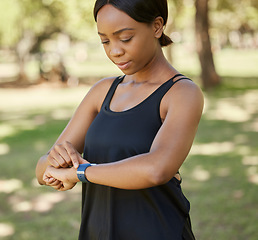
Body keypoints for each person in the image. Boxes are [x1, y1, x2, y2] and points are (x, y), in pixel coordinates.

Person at [36, 0, 204, 239]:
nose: (114, 51)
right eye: (105, 40)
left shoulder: (182, 93)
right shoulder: (102, 91)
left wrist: (81, 172)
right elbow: (42, 168)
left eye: (125, 38)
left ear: (157, 26)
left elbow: (157, 168)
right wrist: (56, 161)